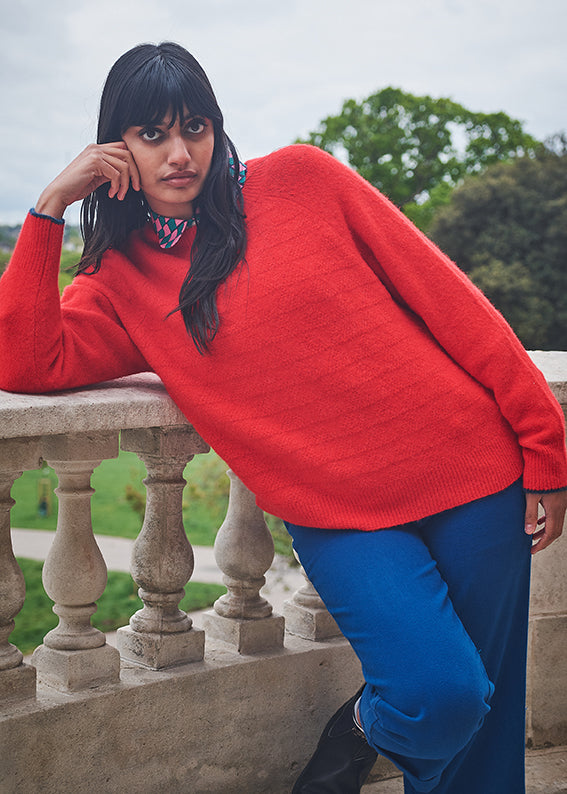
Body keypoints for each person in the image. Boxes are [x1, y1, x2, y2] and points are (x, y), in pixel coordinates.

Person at [1, 41, 565, 794]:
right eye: (153, 134)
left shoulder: (303, 178)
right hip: (340, 519)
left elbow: (453, 305)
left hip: (473, 474)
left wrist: (545, 446)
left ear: (216, 128)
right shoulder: (117, 281)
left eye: (194, 127)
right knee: (440, 697)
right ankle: (362, 728)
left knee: (486, 741)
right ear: (116, 148)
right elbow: (24, 361)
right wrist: (47, 206)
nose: (179, 153)